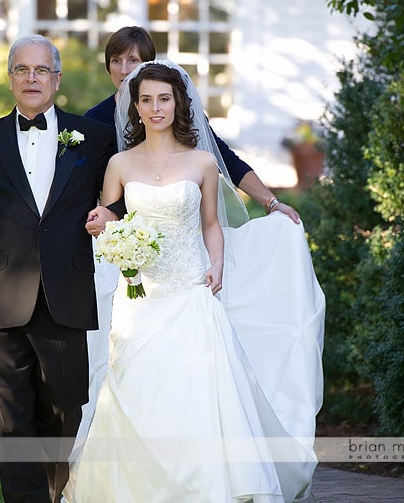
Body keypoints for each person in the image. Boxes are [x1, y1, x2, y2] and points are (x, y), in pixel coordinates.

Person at [66, 61, 325, 502]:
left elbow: (210, 224)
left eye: (163, 99)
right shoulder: (119, 163)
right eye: (145, 100)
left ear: (178, 103)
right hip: (141, 295)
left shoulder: (203, 162)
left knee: (201, 389)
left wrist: (218, 264)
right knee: (135, 386)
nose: (154, 108)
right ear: (135, 107)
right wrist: (100, 222)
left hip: (191, 287)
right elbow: (111, 214)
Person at [0, 35, 122, 503]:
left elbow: (119, 197)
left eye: (41, 70)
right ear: (10, 79)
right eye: (21, 69)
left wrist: (112, 213)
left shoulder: (92, 137)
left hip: (66, 291)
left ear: (56, 79)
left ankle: (55, 488)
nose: (31, 78)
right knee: (9, 415)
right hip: (1, 296)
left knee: (65, 407)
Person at [83, 25, 301, 230]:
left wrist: (271, 203)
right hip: (123, 237)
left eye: (132, 60)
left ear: (147, 65)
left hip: (178, 228)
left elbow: (225, 159)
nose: (123, 70)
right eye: (115, 60)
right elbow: (85, 185)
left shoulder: (178, 113)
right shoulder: (94, 120)